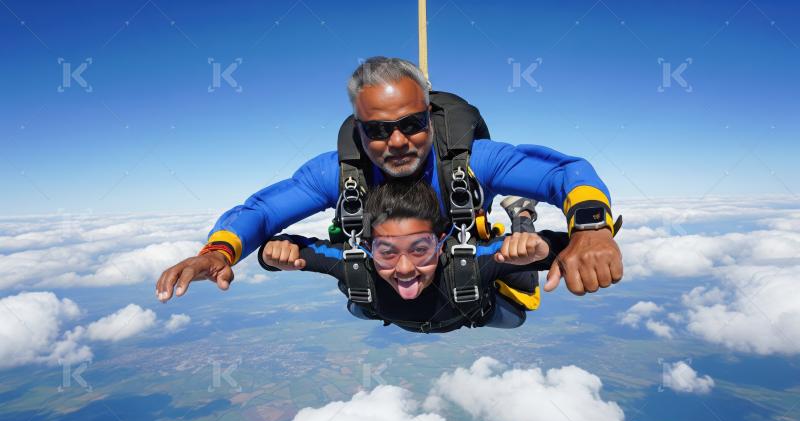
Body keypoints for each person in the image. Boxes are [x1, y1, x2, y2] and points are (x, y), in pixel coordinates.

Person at [156, 57, 622, 303]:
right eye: (377, 130)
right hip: (395, 268)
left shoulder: (474, 161)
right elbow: (262, 211)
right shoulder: (338, 172)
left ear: (432, 119)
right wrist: (216, 252)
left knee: (516, 296)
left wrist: (591, 228)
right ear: (358, 130)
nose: (397, 141)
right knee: (365, 293)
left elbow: (565, 172)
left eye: (412, 124)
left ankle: (519, 221)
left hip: (469, 250)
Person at [259, 182, 570, 333]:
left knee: (520, 277)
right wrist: (273, 255)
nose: (405, 268)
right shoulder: (354, 264)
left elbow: (567, 247)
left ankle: (522, 213)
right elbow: (292, 250)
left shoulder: (468, 263)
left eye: (420, 249)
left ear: (442, 242)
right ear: (367, 247)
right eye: (387, 251)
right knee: (359, 302)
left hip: (474, 306)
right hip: (400, 306)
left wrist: (543, 250)